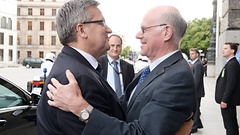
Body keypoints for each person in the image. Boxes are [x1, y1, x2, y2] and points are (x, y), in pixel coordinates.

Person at [46, 5, 197, 135]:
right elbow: (124, 109)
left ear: (166, 32)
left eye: (144, 30)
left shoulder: (177, 77)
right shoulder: (151, 70)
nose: (138, 35)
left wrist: (81, 108)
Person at [36, 0, 125, 134]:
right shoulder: (75, 78)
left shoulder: (76, 67)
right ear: (82, 30)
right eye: (102, 22)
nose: (109, 29)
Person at [215, 42, 240, 135]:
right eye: (223, 48)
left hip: (228, 101)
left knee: (230, 124)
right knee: (229, 124)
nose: (223, 50)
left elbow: (231, 84)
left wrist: (225, 100)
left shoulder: (232, 64)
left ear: (232, 51)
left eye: (226, 48)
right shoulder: (229, 63)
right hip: (227, 101)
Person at [189, 48, 205, 133]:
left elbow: (196, 80)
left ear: (197, 55)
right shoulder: (194, 64)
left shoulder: (198, 65)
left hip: (197, 92)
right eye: (190, 53)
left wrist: (192, 91)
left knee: (195, 109)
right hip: (196, 91)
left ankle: (194, 126)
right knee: (196, 108)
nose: (191, 55)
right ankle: (198, 124)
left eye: (193, 53)